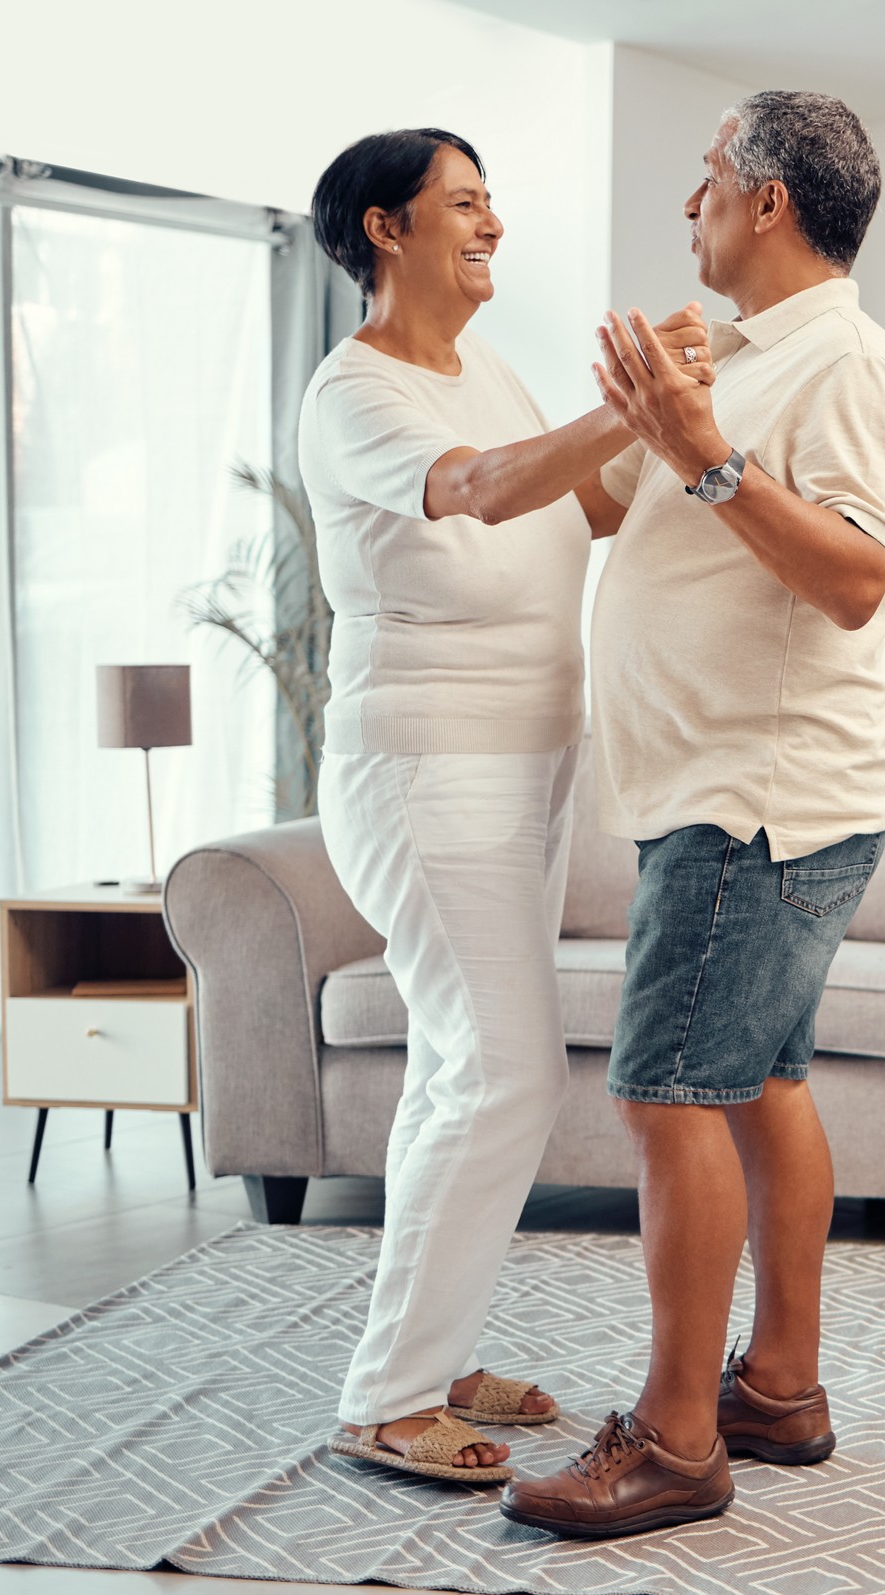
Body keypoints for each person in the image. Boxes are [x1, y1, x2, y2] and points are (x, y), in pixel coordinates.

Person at [500, 91, 885, 1537]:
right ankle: (780, 1389)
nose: (685, 210)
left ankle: (680, 1440)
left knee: (668, 1089)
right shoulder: (733, 361)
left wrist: (703, 446)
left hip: (757, 800)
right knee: (755, 1083)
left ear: (767, 204)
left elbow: (860, 579)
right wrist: (649, 418)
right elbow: (618, 512)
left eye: (704, 183)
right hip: (732, 788)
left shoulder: (853, 370)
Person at [299, 127, 711, 1485]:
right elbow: (477, 491)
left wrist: (688, 438)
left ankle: (435, 1351)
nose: (492, 227)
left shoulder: (483, 369)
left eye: (493, 206)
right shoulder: (354, 393)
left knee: (455, 1071)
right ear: (384, 229)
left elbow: (579, 501)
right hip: (425, 768)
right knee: (508, 1071)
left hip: (525, 763)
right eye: (464, 205)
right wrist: (636, 404)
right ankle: (390, 1395)